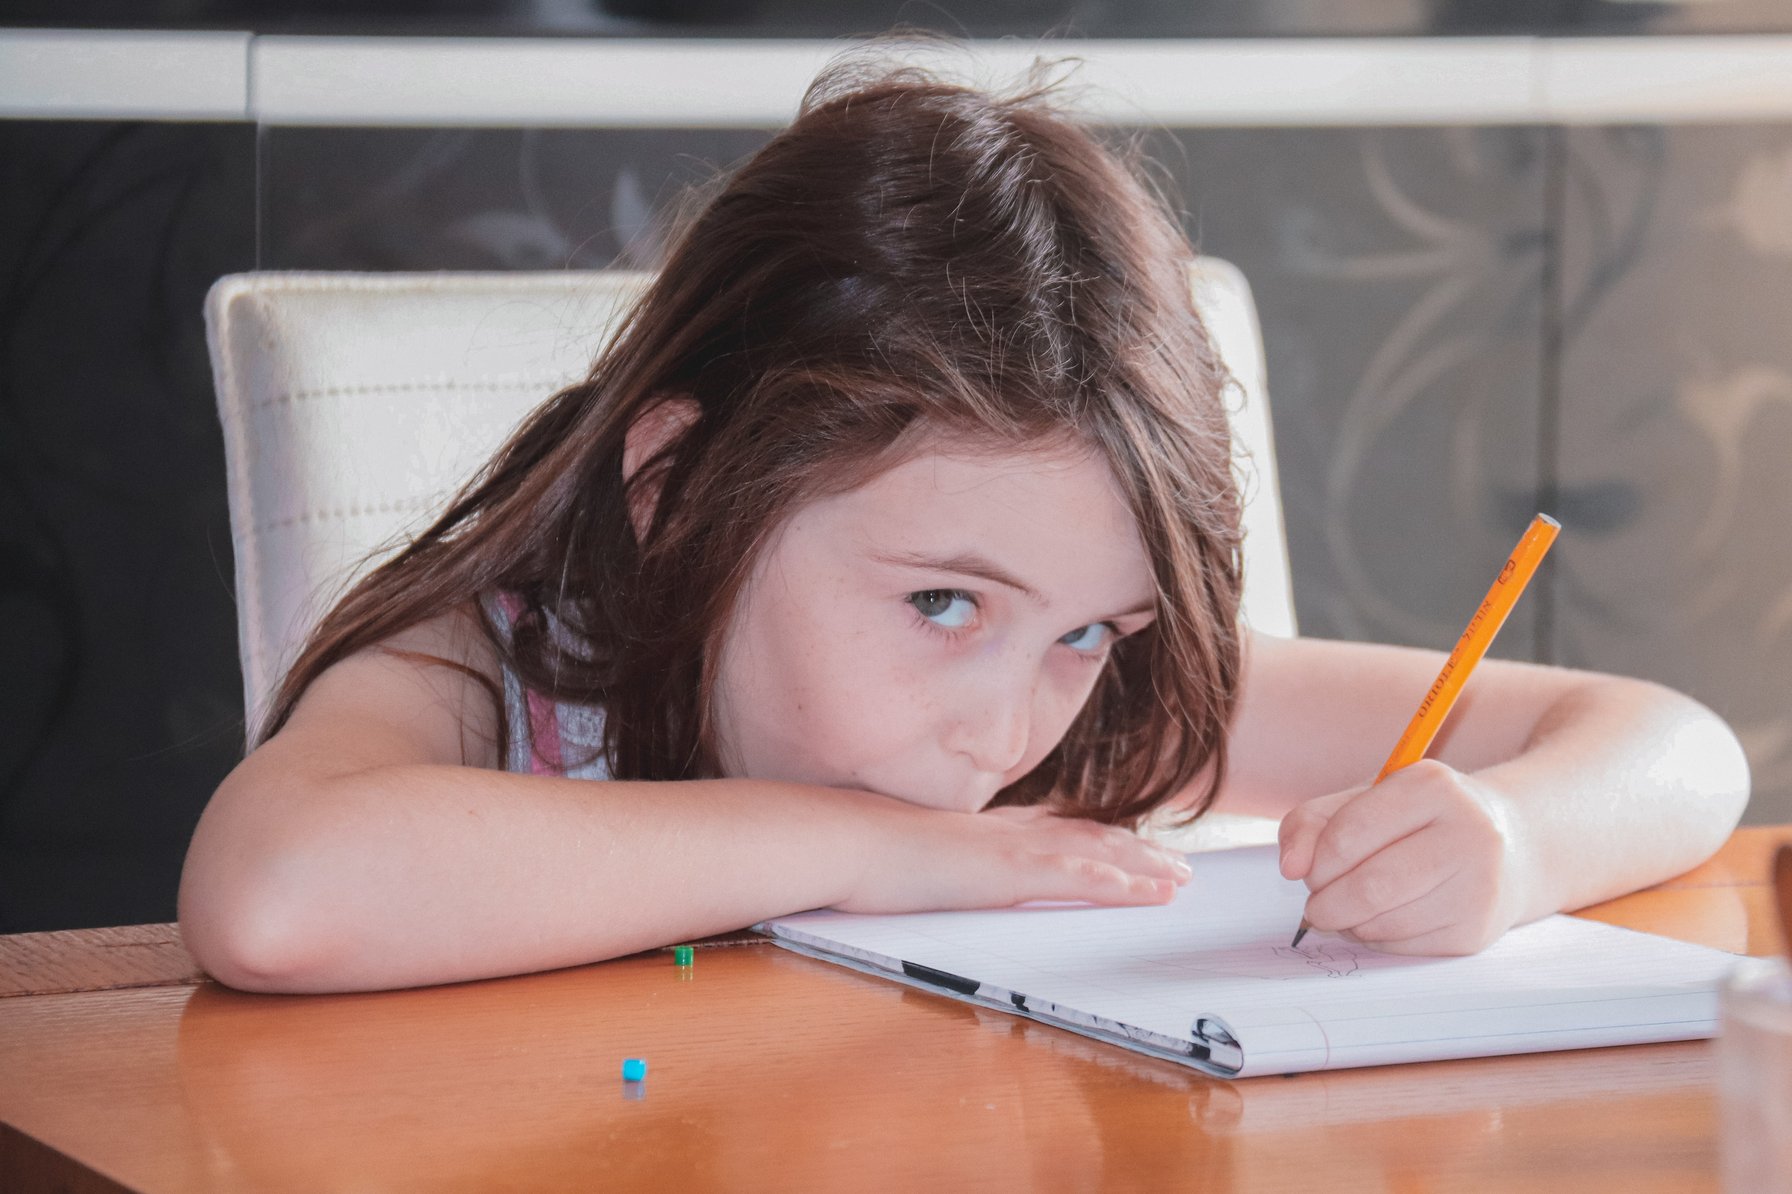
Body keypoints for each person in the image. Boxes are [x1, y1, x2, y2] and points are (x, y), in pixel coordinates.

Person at [178, 53, 1750, 995]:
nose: (1000, 733)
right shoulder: (505, 658)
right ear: (674, 492)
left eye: (1090, 628)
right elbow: (275, 894)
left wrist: (1516, 839)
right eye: (943, 601)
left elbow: (1674, 746)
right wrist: (868, 848)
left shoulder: (1093, 717)